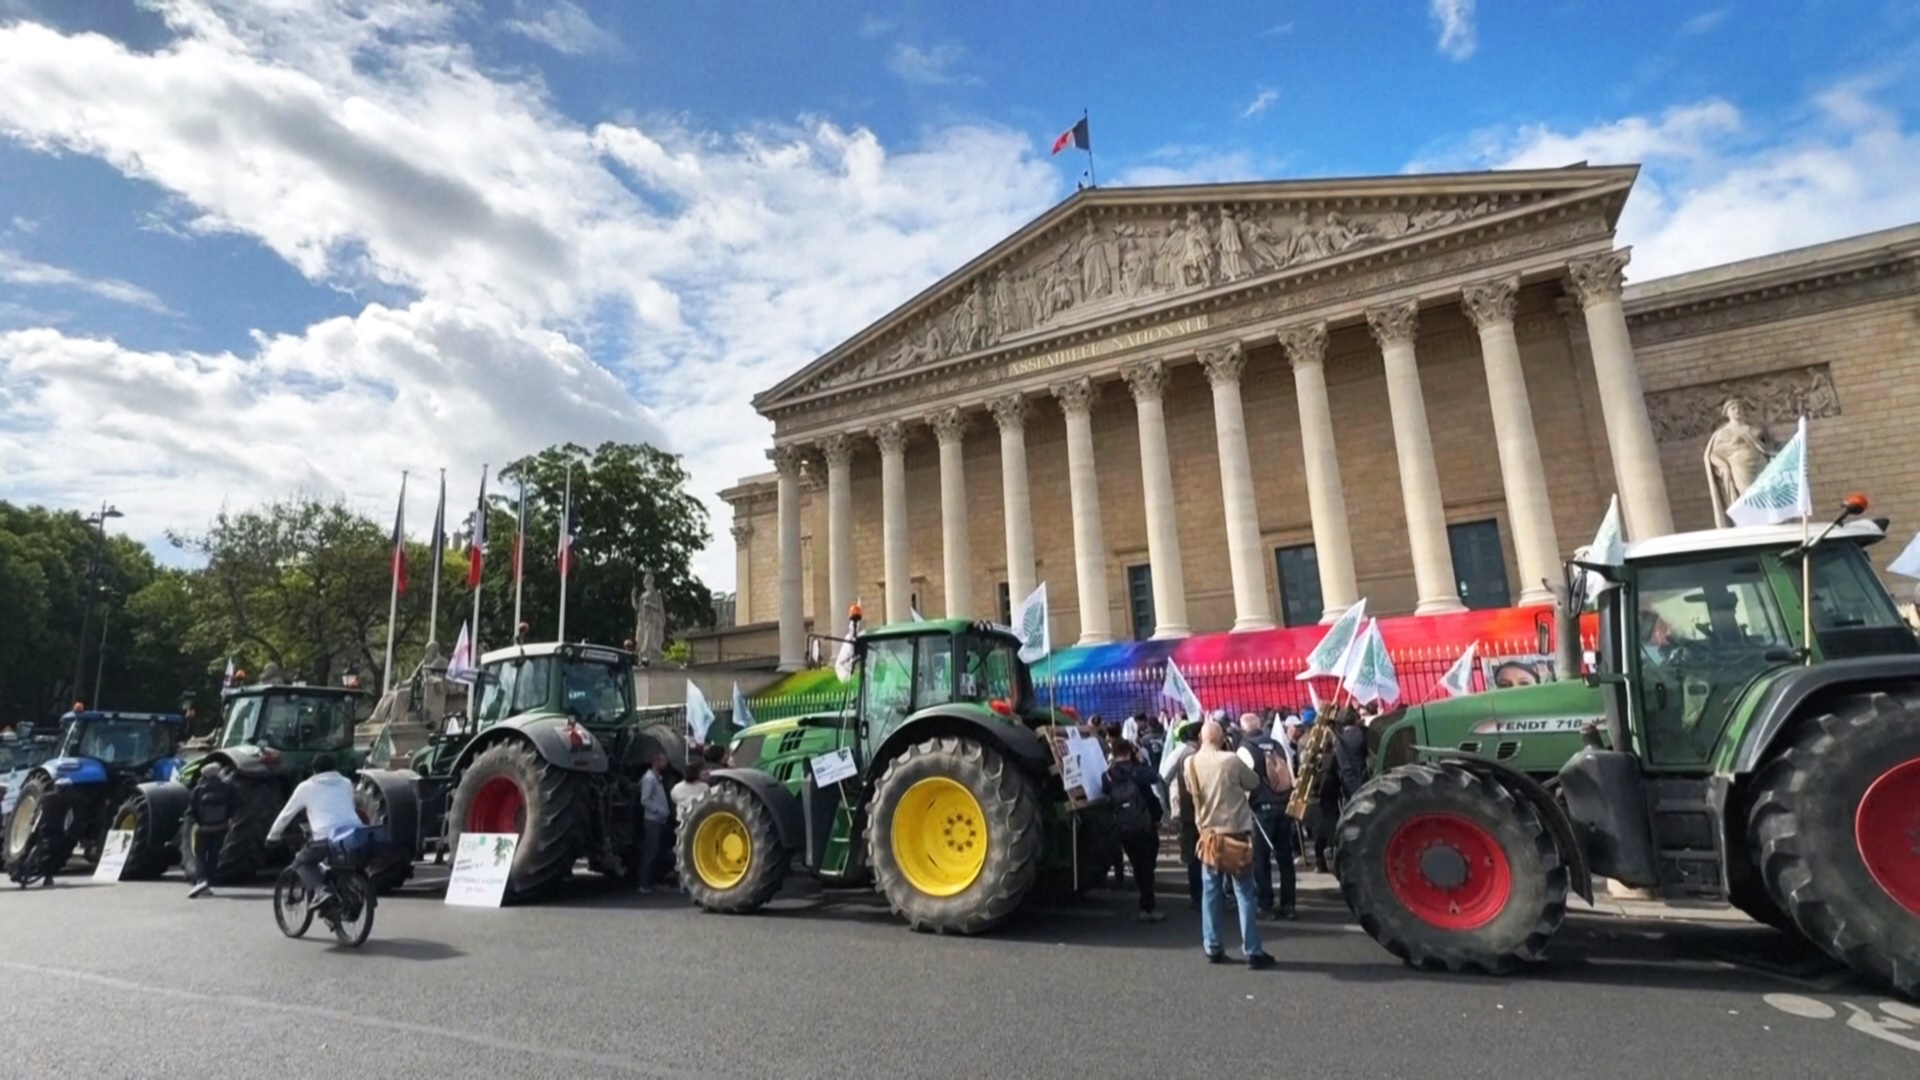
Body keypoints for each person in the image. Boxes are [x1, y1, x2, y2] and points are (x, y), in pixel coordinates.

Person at [1184, 720, 1274, 969]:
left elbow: (1192, 789)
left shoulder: (1189, 763)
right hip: (1235, 833)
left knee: (1210, 892)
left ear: (1202, 738)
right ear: (1222, 738)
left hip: (1209, 835)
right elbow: (1253, 782)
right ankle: (1253, 950)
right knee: (1244, 893)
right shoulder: (1231, 760)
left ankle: (1212, 945)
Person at [266, 755, 361, 910]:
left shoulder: (306, 787)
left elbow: (286, 815)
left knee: (301, 862)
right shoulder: (346, 783)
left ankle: (321, 891)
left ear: (314, 770)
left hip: (325, 835)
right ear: (335, 767)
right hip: (354, 834)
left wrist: (273, 836)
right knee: (342, 865)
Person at [1235, 713, 1297, 920]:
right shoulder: (1276, 744)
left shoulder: (1246, 748)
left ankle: (1266, 903)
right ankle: (1289, 904)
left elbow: (1243, 782)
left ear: (1243, 729)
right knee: (1285, 857)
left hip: (1261, 808)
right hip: (1283, 804)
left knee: (1260, 859)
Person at [1105, 739, 1164, 922]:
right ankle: (1148, 907)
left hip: (1124, 827)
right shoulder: (1139, 771)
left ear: (1113, 754)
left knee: (1139, 865)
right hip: (1145, 825)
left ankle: (1145, 901)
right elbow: (1156, 778)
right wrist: (1139, 760)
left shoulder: (1107, 776)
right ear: (1131, 751)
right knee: (1148, 865)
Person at [1161, 717, 1203, 908]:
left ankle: (1201, 895)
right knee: (1194, 855)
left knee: (1197, 855)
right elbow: (1164, 775)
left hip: (1193, 811)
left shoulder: (1196, 752)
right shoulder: (1183, 753)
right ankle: (1198, 895)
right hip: (1189, 810)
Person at [185, 763, 233, 898]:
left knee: (200, 855)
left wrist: (197, 823)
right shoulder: (228, 788)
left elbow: (191, 810)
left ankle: (201, 880)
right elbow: (234, 805)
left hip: (203, 829)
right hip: (221, 828)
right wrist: (227, 820)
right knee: (214, 856)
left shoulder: (198, 790)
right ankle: (208, 881)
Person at [637, 753, 671, 894]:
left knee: (656, 851)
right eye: (663, 761)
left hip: (659, 819)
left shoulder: (657, 778)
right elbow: (645, 799)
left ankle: (653, 881)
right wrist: (658, 810)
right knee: (650, 852)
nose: (666, 763)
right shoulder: (650, 779)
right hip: (653, 820)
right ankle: (644, 883)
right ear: (656, 761)